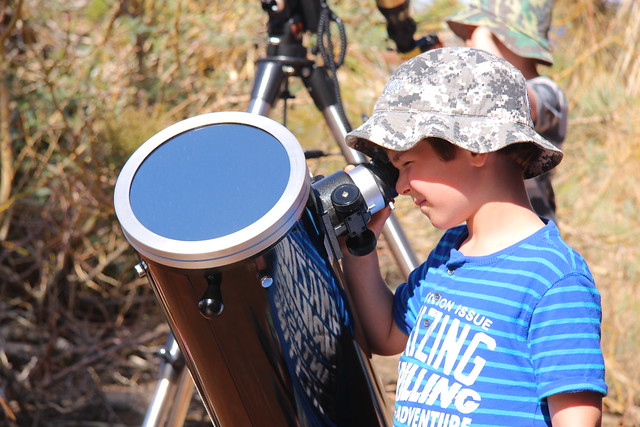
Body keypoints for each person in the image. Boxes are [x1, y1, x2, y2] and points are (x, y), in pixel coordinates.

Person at [341, 47, 606, 426]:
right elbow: (385, 334)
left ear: (474, 146)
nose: (399, 186)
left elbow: (577, 420)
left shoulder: (553, 278)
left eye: (408, 165)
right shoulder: (452, 251)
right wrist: (361, 249)